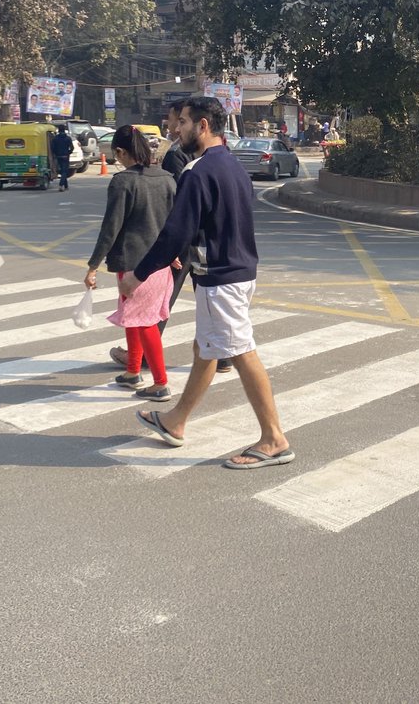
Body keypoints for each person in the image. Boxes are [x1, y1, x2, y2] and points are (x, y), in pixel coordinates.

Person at [122, 96, 292, 469]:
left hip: (221, 278)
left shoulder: (198, 171)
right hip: (237, 271)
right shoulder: (232, 166)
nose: (175, 129)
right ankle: (175, 420)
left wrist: (139, 274)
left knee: (242, 352)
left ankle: (274, 439)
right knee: (206, 349)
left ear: (202, 126)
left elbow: (175, 233)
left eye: (181, 122)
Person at [110, 99, 233, 374]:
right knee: (199, 299)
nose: (174, 126)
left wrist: (166, 251)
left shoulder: (180, 157)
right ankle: (222, 356)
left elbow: (177, 204)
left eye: (179, 121)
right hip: (205, 243)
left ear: (196, 124)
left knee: (160, 301)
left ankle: (142, 357)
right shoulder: (222, 157)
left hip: (183, 242)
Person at [85, 125, 177, 403]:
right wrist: (173, 252)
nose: (117, 160)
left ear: (122, 152)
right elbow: (175, 223)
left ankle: (160, 382)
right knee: (135, 317)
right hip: (161, 263)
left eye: (117, 155)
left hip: (134, 264)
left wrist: (92, 266)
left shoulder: (123, 181)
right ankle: (133, 371)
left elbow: (110, 228)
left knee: (144, 321)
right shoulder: (168, 179)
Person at [52, 124, 75, 191]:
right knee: (64, 171)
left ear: (58, 130)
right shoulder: (68, 138)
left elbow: (52, 148)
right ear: (64, 130)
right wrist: (68, 153)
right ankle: (61, 185)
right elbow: (72, 148)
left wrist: (56, 154)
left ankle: (66, 186)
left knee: (62, 171)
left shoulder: (55, 138)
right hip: (65, 156)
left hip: (58, 156)